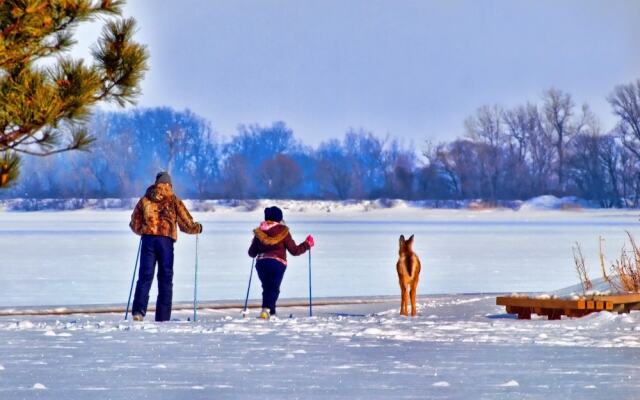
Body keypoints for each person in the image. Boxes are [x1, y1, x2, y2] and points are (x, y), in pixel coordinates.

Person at [129, 172, 203, 322]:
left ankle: (138, 312)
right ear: (169, 184)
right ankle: (162, 317)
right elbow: (186, 223)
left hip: (148, 240)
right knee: (165, 279)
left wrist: (144, 230)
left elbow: (134, 223)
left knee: (145, 276)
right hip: (166, 242)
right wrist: (197, 228)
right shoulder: (174, 200)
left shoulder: (145, 199)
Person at [248, 206, 314, 319]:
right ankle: (267, 310)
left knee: (267, 288)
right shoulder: (283, 232)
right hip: (277, 264)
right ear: (279, 218)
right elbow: (294, 251)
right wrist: (307, 244)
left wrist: (258, 245)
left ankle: (270, 312)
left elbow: (251, 253)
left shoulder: (259, 232)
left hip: (261, 263)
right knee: (273, 288)